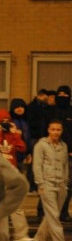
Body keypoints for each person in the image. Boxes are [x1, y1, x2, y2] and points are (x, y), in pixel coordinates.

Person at [0, 109, 34, 241]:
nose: (5, 124)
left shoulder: (12, 135)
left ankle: (20, 234)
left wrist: (15, 134)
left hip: (11, 172)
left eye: (8, 121)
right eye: (3, 122)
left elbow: (22, 148)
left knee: (16, 205)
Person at [32, 120, 69, 241]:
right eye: (53, 129)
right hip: (47, 184)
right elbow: (37, 165)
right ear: (48, 130)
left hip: (61, 185)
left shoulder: (63, 146)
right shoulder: (41, 145)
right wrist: (40, 184)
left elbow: (65, 166)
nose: (55, 132)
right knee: (53, 215)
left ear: (62, 131)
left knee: (51, 216)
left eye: (58, 129)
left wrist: (65, 183)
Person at [52, 85, 72, 221]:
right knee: (51, 183)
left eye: (66, 95)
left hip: (70, 154)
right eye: (61, 94)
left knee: (67, 184)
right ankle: (44, 211)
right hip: (53, 152)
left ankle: (63, 211)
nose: (63, 97)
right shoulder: (51, 111)